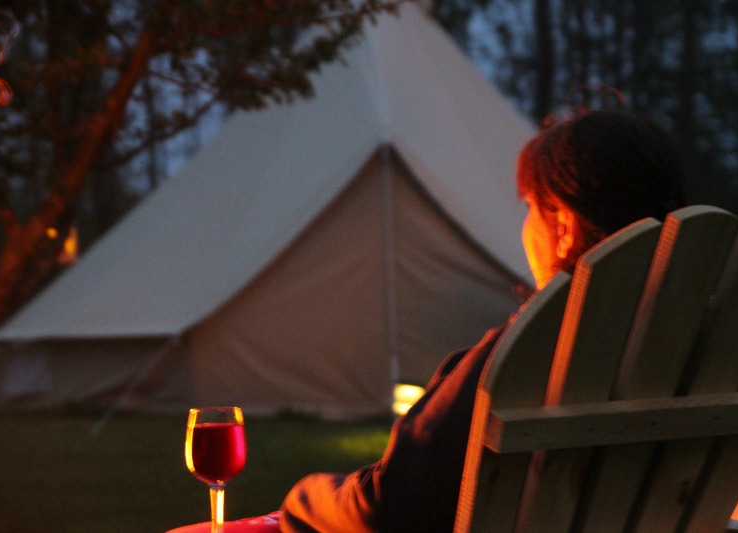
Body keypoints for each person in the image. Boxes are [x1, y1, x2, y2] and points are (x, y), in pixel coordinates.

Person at [275, 108, 687, 533]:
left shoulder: (533, 349)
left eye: (529, 207)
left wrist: (305, 497)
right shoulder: (701, 345)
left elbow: (390, 505)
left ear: (563, 225)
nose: (525, 229)